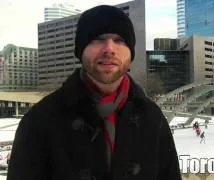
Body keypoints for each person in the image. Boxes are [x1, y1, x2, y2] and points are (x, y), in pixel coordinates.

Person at [7, 5, 181, 180]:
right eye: (98, 39)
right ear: (80, 50)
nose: (109, 49)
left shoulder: (152, 117)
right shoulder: (39, 121)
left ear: (131, 53)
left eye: (119, 40)